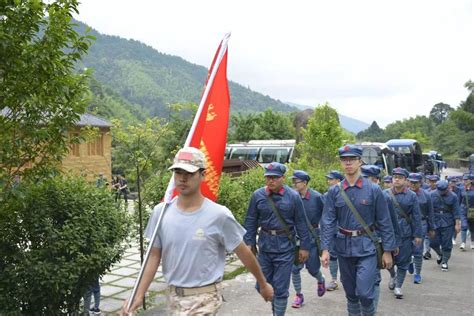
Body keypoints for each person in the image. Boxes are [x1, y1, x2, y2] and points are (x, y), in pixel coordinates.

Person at [121, 147, 274, 315]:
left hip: (204, 299)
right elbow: (154, 255)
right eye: (178, 172)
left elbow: (243, 251)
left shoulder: (218, 215)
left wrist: (263, 283)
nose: (183, 178)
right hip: (173, 297)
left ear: (203, 175)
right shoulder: (161, 212)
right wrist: (139, 294)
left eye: (189, 173)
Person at [321, 145, 396, 316]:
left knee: (365, 293)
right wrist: (325, 249)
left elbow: (385, 222)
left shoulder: (374, 190)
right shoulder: (334, 191)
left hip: (367, 247)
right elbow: (328, 221)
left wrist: (388, 251)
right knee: (351, 294)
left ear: (360, 162)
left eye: (352, 159)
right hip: (344, 247)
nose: (348, 163)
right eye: (344, 160)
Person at [244, 162, 311, 316]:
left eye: (275, 177)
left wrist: (305, 247)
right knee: (262, 285)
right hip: (265, 246)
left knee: (280, 288)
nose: (271, 181)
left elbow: (301, 222)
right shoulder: (258, 195)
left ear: (283, 178)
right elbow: (250, 220)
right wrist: (249, 243)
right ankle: (276, 309)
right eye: (268, 177)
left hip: (285, 247)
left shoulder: (293, 197)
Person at [361, 165, 401, 312]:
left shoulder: (384, 197)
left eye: (367, 179)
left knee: (374, 278)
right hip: (358, 243)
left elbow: (391, 222)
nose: (363, 181)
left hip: (377, 241)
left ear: (376, 180)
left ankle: (372, 310)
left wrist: (392, 244)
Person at [384, 167, 422, 299]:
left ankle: (398, 286)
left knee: (403, 261)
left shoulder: (411, 196)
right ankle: (393, 276)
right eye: (395, 177)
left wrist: (418, 235)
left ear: (405, 180)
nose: (397, 179)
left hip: (405, 233)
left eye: (400, 177)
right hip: (388, 232)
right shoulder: (385, 194)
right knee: (386, 260)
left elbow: (417, 216)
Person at [289, 170, 326, 309]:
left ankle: (320, 279)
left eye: (296, 182)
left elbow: (327, 216)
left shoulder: (317, 197)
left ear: (304, 183)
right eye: (293, 182)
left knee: (312, 268)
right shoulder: (292, 197)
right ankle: (298, 295)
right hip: (297, 237)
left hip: (312, 237)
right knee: (295, 268)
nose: (293, 184)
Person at [407, 173, 435, 284]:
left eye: (416, 182)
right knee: (406, 247)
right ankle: (409, 261)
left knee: (418, 250)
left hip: (421, 224)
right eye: (411, 182)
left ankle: (417, 273)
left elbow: (430, 212)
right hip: (406, 224)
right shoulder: (404, 194)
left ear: (420, 183)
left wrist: (431, 228)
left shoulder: (426, 195)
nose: (413, 184)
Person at [429, 180, 461, 271]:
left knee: (446, 243)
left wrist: (457, 224)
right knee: (432, 242)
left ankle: (445, 261)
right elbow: (428, 209)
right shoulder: (431, 195)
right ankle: (440, 254)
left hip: (448, 222)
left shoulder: (453, 196)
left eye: (443, 190)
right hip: (435, 220)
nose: (442, 192)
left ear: (447, 188)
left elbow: (456, 211)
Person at [323, 170, 344, 292]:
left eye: (331, 179)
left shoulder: (347, 193)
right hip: (332, 231)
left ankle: (347, 279)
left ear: (338, 181)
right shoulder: (326, 196)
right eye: (329, 179)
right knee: (332, 255)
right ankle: (334, 280)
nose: (329, 181)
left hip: (344, 231)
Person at [459, 174, 474, 250]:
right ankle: (463, 243)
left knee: (472, 227)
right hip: (463, 209)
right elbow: (459, 200)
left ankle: (472, 242)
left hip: (472, 210)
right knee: (464, 225)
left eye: (466, 180)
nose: (464, 181)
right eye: (463, 180)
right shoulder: (461, 189)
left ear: (471, 181)